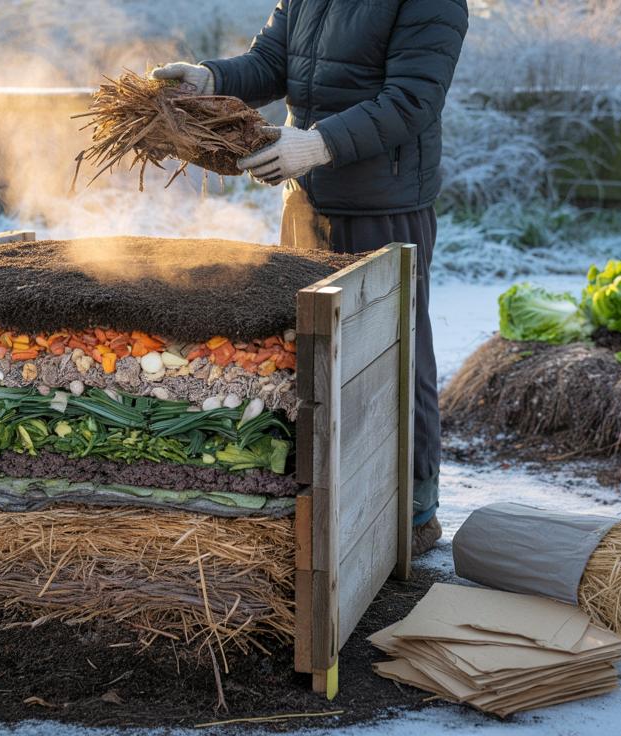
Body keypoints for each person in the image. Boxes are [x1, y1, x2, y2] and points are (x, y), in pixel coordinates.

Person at [152, 0, 469, 556]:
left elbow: (412, 100)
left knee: (395, 355)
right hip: (308, 191)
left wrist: (320, 143)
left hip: (382, 204)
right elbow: (272, 61)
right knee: (304, 349)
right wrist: (213, 77)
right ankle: (320, 489)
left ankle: (414, 504)